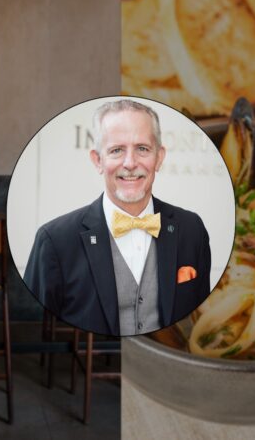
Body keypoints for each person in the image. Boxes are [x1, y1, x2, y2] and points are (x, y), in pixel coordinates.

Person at [24, 99, 211, 336]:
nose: (130, 163)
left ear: (159, 157)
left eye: (142, 148)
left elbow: (201, 320)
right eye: (116, 150)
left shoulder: (191, 229)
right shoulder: (54, 240)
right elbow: (39, 328)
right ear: (97, 160)